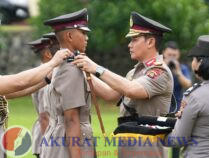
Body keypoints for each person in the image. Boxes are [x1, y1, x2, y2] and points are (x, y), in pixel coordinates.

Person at [73, 11, 173, 158]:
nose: (129, 45)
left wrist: (96, 68)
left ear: (150, 42)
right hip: (130, 145)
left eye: (134, 40)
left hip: (148, 149)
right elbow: (109, 94)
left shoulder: (159, 71)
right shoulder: (134, 72)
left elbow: (131, 89)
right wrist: (83, 68)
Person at [41, 8, 95, 158]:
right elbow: (71, 119)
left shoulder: (60, 64)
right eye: (83, 33)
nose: (87, 38)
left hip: (57, 138)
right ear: (70, 36)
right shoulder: (71, 69)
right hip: (68, 145)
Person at [27, 36, 59, 158]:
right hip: (47, 135)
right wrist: (49, 146)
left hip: (46, 134)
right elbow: (44, 116)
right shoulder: (46, 77)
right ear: (47, 54)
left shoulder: (42, 73)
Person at [162, 41, 191, 158]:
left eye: (174, 55)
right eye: (169, 55)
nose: (172, 58)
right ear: (163, 53)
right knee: (160, 140)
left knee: (176, 140)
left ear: (178, 55)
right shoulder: (159, 67)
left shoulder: (182, 68)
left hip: (177, 110)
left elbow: (188, 84)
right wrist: (165, 67)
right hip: (161, 109)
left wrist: (177, 72)